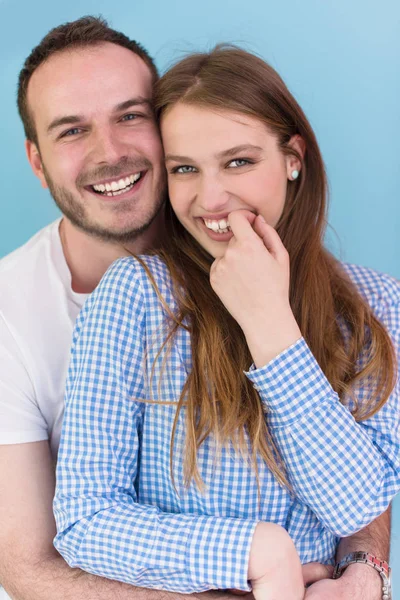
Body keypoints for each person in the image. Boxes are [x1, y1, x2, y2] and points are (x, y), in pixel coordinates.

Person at [52, 45, 400, 600]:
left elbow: (358, 506)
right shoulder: (137, 295)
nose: (210, 198)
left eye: (239, 161)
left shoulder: (378, 305)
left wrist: (271, 327)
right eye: (185, 169)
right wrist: (257, 553)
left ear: (293, 157)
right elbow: (84, 521)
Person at [0, 16, 239, 600]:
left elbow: (344, 431)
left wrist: (366, 565)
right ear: (36, 162)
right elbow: (28, 567)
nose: (111, 152)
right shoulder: (7, 311)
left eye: (131, 116)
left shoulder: (245, 257)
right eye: (72, 130)